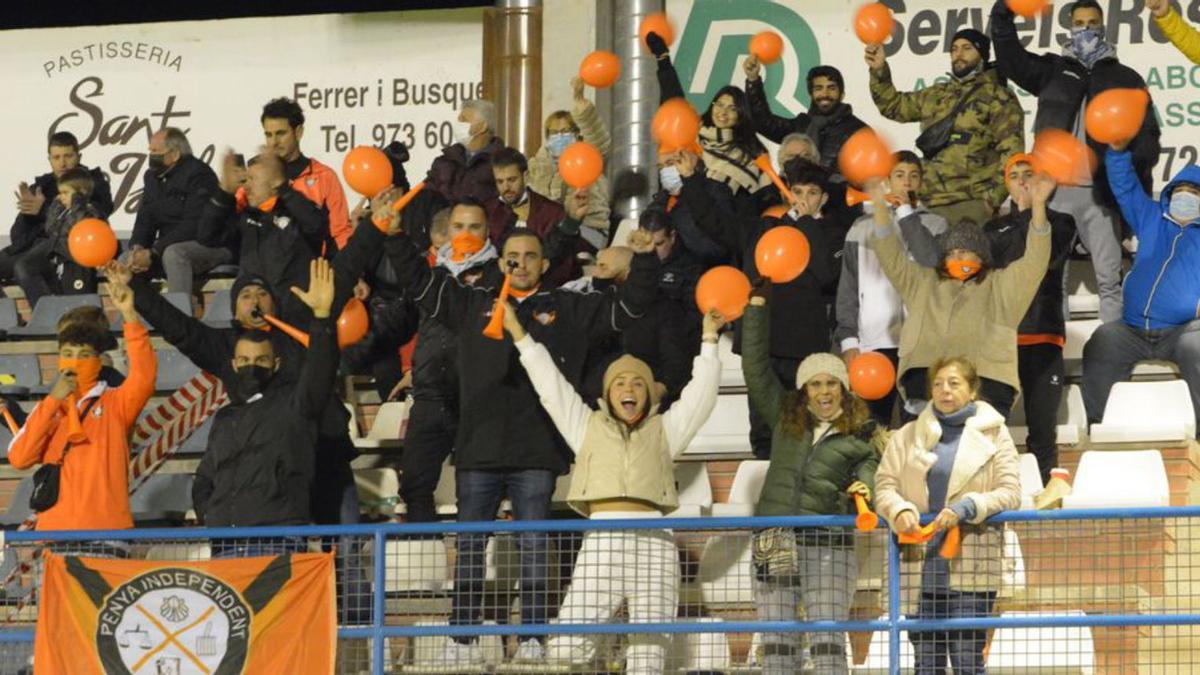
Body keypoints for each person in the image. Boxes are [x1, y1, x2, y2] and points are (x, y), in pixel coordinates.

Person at [380, 205, 660, 666]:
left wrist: (645, 261)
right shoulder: (472, 304)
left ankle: (531, 638)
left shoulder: (567, 307)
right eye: (513, 255)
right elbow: (420, 282)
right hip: (478, 450)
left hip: (537, 452)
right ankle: (462, 640)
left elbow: (630, 309)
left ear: (544, 264)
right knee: (470, 548)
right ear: (501, 260)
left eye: (531, 256)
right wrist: (393, 237)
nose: (521, 263)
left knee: (533, 546)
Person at [507, 305, 724, 674]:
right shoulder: (585, 426)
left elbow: (702, 397)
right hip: (602, 538)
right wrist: (519, 334)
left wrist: (709, 340)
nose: (629, 388)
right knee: (568, 647)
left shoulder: (666, 431)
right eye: (620, 382)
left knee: (650, 650)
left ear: (649, 393)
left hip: (655, 540)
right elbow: (550, 385)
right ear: (608, 391)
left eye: (638, 382)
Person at [992, 0, 1160, 324]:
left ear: (1103, 27)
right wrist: (1003, 12)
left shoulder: (1126, 77)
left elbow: (1149, 138)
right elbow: (1010, 58)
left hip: (1102, 196)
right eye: (1079, 22)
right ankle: (1055, 350)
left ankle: (1111, 347)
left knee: (1110, 278)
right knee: (1051, 279)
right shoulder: (1052, 70)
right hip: (1053, 193)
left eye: (1092, 23)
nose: (1085, 29)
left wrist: (1132, 192)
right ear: (1070, 27)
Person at [744, 291, 883, 675]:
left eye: (831, 383)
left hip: (829, 544)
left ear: (843, 387)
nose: (824, 391)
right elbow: (755, 370)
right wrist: (755, 312)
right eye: (815, 384)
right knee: (776, 644)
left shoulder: (862, 435)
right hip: (775, 537)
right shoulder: (785, 419)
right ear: (804, 389)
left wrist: (864, 490)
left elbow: (869, 476)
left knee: (828, 643)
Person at [873, 355, 1020, 675]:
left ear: (972, 390)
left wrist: (968, 506)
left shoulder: (996, 434)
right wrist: (899, 509)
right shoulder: (907, 435)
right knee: (926, 663)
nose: (944, 390)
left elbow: (1010, 492)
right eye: (938, 384)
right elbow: (884, 486)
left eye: (954, 383)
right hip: (917, 564)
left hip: (971, 563)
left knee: (968, 660)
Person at [865, 173, 1054, 419]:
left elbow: (1036, 260)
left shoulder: (1002, 285)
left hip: (986, 387)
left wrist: (1038, 206)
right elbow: (890, 255)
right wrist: (880, 207)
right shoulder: (923, 282)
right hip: (925, 384)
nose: (957, 258)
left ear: (982, 256)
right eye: (952, 253)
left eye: (965, 251)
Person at [192, 259, 340, 535]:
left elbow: (321, 370)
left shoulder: (294, 404)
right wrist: (210, 514)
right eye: (245, 359)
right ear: (234, 365)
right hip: (225, 542)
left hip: (277, 537)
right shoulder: (225, 418)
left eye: (261, 359)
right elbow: (205, 477)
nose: (252, 365)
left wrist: (322, 318)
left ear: (276, 363)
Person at [7, 267, 156, 533]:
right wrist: (52, 402)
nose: (75, 362)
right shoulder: (47, 410)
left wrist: (129, 316)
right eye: (67, 353)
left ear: (99, 362)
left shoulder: (116, 402)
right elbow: (19, 458)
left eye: (84, 355)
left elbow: (145, 376)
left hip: (108, 533)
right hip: (54, 535)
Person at [1082, 141, 1200, 427]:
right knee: (1102, 341)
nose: (1185, 197)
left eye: (1194, 193)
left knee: (1197, 347)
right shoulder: (1151, 219)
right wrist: (1117, 151)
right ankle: (1099, 426)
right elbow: (1125, 186)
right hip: (1131, 330)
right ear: (1169, 194)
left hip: (1182, 331)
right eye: (1179, 191)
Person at [399, 199, 499, 525]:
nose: (465, 234)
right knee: (414, 486)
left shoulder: (499, 276)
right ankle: (424, 567)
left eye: (474, 227)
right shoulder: (432, 275)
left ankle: (469, 575)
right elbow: (397, 324)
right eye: (458, 227)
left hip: (476, 399)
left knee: (474, 493)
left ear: (488, 231)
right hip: (429, 395)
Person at [866, 29, 1024, 227]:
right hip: (926, 203)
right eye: (954, 49)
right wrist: (879, 71)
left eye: (967, 48)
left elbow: (1012, 152)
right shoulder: (937, 93)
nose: (959, 54)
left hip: (971, 205)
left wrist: (992, 200)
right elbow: (894, 106)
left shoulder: (998, 96)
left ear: (982, 55)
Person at [737, 161, 841, 458]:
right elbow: (753, 273)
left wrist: (807, 223)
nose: (804, 199)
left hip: (806, 346)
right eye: (797, 191)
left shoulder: (832, 232)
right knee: (762, 428)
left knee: (804, 426)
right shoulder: (768, 227)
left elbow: (827, 274)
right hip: (767, 343)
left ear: (824, 198)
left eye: (812, 192)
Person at [836, 151, 947, 426]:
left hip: (919, 343)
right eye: (899, 175)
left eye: (913, 176)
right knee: (872, 425)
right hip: (873, 341)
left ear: (921, 181)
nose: (906, 183)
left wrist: (905, 212)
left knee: (920, 427)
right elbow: (848, 288)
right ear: (888, 181)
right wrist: (849, 339)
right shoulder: (861, 227)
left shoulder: (936, 224)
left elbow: (929, 259)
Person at [985, 154, 1078, 482]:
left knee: (1042, 431)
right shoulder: (993, 227)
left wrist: (1032, 211)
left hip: (1043, 336)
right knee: (988, 430)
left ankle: (1047, 505)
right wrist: (1025, 212)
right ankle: (992, 496)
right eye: (1016, 176)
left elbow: (1043, 259)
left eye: (1030, 174)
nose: (1023, 181)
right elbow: (1004, 266)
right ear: (1006, 183)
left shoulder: (1063, 221)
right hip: (1001, 342)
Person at [198, 150, 329, 321]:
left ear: (274, 182)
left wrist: (284, 189)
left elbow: (317, 225)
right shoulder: (246, 218)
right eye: (245, 180)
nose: (246, 186)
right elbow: (207, 236)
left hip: (294, 318)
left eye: (253, 179)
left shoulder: (299, 213)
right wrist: (224, 193)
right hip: (254, 320)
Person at [647, 32, 771, 203]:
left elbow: (763, 194)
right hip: (687, 210)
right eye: (719, 105)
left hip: (727, 219)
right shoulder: (697, 134)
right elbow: (674, 98)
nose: (723, 112)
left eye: (732, 108)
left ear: (741, 115)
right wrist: (663, 59)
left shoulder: (751, 150)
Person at [2, 131, 112, 301]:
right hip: (35, 247)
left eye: (68, 156)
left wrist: (43, 209)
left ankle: (49, 317)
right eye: (57, 157)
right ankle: (6, 322)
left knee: (24, 267)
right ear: (49, 159)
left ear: (79, 156)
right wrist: (27, 215)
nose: (62, 163)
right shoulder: (41, 186)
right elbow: (17, 236)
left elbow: (92, 218)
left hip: (68, 249)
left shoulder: (92, 183)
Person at [126, 127, 220, 291]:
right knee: (125, 260)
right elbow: (145, 217)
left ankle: (179, 311)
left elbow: (194, 225)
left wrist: (155, 251)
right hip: (165, 245)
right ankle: (133, 313)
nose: (151, 157)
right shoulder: (152, 177)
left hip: (208, 244)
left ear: (175, 154)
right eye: (150, 151)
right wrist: (138, 247)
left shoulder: (200, 175)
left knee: (174, 254)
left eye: (156, 152)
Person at [528, 76, 613, 246]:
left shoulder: (588, 154)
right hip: (546, 232)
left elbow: (598, 137)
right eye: (554, 132)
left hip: (589, 229)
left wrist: (580, 102)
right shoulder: (536, 166)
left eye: (566, 131)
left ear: (577, 133)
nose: (560, 136)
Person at [486, 147, 588, 286]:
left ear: (526, 176)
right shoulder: (488, 212)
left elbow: (561, 260)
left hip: (547, 288)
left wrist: (572, 221)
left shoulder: (552, 211)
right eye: (500, 181)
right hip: (499, 287)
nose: (506, 187)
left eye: (512, 179)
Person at [260, 97, 352, 251]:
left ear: (298, 132)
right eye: (268, 135)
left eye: (280, 133)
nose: (273, 142)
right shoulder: (257, 176)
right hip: (266, 271)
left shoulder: (325, 177)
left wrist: (350, 270)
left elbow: (340, 232)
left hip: (312, 269)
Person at [744, 60, 866, 172]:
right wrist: (753, 80)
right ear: (810, 94)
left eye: (831, 88)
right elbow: (762, 122)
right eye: (818, 88)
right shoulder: (802, 125)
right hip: (798, 194)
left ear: (842, 94)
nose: (825, 94)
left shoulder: (859, 132)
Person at [11, 168, 106, 306]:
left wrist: (77, 203)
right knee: (24, 266)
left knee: (78, 308)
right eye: (60, 193)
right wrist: (54, 207)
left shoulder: (91, 211)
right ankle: (47, 314)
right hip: (61, 262)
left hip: (79, 268)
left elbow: (78, 225)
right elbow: (51, 229)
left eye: (66, 193)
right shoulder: (63, 211)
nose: (61, 197)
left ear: (82, 193)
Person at [643, 147, 740, 266]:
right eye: (660, 167)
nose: (664, 171)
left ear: (691, 161)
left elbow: (719, 244)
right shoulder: (661, 201)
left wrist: (690, 184)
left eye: (670, 164)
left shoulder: (715, 191)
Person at [426, 98, 506, 204]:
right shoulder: (444, 161)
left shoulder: (503, 162)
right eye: (458, 120)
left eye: (463, 120)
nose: (458, 125)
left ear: (483, 126)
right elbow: (426, 197)